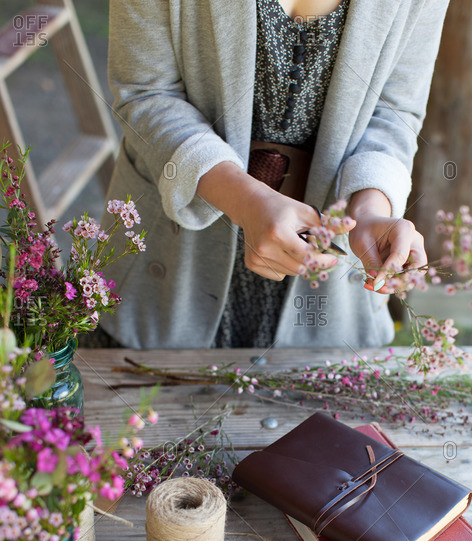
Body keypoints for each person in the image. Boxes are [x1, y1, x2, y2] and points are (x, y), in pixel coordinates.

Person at [100, 0, 450, 350]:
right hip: (172, 260)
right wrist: (246, 200)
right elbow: (146, 93)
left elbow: (395, 113)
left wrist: (368, 210)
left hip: (327, 292)